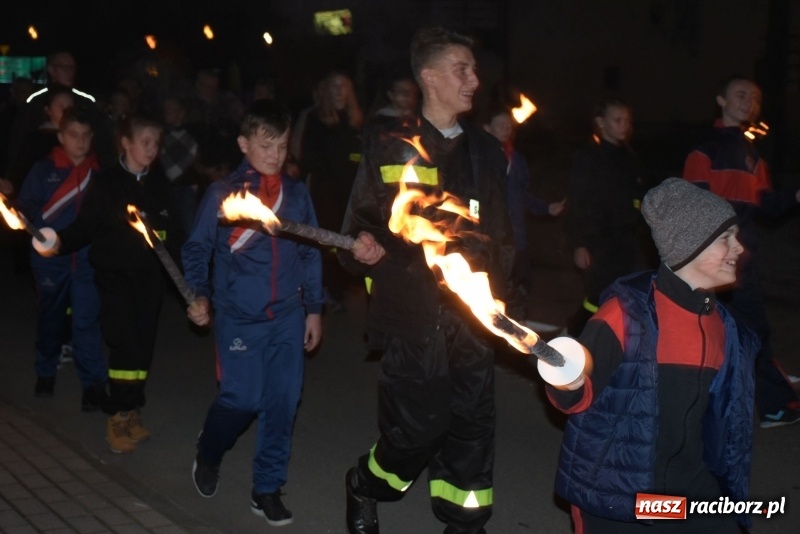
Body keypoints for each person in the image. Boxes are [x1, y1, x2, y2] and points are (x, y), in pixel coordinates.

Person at [339, 26, 513, 534]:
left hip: (473, 319)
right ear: (430, 77)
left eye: (475, 70)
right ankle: (364, 484)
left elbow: (502, 237)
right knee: (415, 431)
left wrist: (504, 305)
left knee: (472, 428)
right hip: (412, 316)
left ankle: (465, 524)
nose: (475, 80)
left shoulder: (485, 151)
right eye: (463, 70)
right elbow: (357, 226)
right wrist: (362, 252)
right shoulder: (389, 145)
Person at [545, 178, 759, 533]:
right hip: (625, 499)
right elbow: (577, 398)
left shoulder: (726, 327)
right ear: (688, 245)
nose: (738, 247)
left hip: (695, 497)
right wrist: (566, 377)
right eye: (726, 238)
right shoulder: (626, 315)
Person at [182, 100, 323, 527]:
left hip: (287, 316)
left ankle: (266, 488)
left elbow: (311, 253)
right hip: (239, 316)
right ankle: (209, 450)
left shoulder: (297, 194)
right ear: (244, 144)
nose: (275, 155)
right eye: (265, 145)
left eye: (281, 146)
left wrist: (314, 309)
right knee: (241, 400)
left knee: (282, 402)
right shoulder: (223, 194)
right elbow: (196, 249)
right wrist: (199, 294)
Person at [33, 113, 172, 454]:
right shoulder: (108, 182)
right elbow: (85, 227)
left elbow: (173, 231)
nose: (152, 149)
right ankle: (117, 414)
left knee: (143, 347)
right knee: (124, 346)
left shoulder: (159, 182)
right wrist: (60, 242)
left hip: (149, 280)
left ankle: (132, 408)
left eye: (156, 143)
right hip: (115, 280)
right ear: (125, 143)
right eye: (145, 142)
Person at [683, 75, 800, 428]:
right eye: (740, 94)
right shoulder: (706, 149)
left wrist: (794, 197)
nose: (748, 101)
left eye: (754, 97)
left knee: (737, 334)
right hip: (716, 261)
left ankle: (768, 405)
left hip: (742, 261)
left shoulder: (752, 155)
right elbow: (692, 204)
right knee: (734, 333)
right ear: (721, 100)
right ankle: (771, 405)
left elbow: (764, 204)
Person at [15, 106, 107, 409]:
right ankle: (45, 371)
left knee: (86, 321)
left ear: (91, 137)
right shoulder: (44, 169)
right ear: (60, 136)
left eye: (85, 136)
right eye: (72, 135)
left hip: (87, 259)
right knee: (50, 318)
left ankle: (93, 384)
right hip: (49, 259)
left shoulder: (99, 172)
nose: (79, 141)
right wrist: (22, 215)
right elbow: (26, 203)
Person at [565, 98, 645, 337]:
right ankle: (575, 333)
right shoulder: (588, 157)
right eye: (617, 120)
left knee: (624, 294)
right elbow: (577, 203)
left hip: (626, 241)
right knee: (597, 295)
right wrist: (579, 244)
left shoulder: (629, 157)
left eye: (627, 121)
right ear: (601, 123)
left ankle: (611, 343)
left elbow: (636, 195)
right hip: (597, 242)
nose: (624, 126)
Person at [482, 105, 565, 294]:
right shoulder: (480, 159)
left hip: (517, 239)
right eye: (500, 124)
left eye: (508, 125)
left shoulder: (517, 160)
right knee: (491, 289)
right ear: (487, 128)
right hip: (490, 238)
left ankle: (517, 319)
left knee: (518, 287)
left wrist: (546, 208)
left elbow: (521, 195)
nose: (506, 128)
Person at [301, 70, 364, 311]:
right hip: (326, 194)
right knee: (327, 242)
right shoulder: (316, 120)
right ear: (326, 91)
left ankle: (346, 285)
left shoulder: (357, 121)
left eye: (344, 86)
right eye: (334, 86)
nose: (339, 91)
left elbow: (362, 157)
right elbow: (309, 159)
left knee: (350, 240)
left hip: (351, 194)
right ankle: (329, 288)